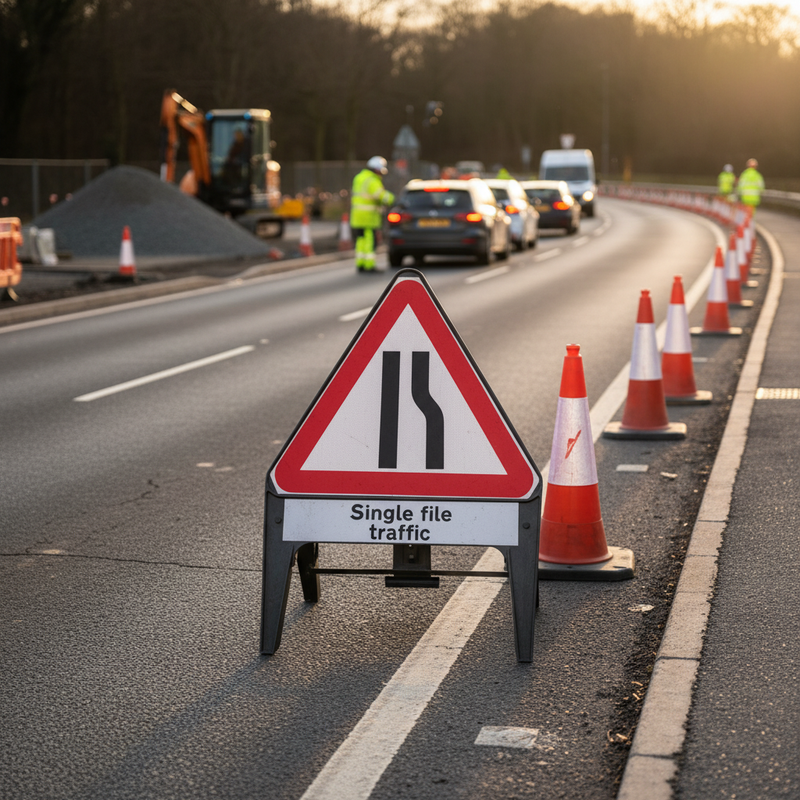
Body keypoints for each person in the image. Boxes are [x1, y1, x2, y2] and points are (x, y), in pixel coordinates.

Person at [351, 157, 395, 272]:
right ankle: (369, 265)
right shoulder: (372, 180)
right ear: (376, 169)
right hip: (369, 217)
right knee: (370, 240)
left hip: (357, 216)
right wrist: (392, 199)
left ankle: (360, 263)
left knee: (360, 240)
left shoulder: (358, 177)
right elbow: (381, 196)